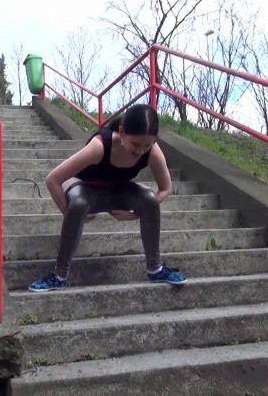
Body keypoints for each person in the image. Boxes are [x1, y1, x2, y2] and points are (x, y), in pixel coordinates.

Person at [28, 103, 187, 292]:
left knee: (149, 199)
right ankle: (59, 275)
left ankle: (155, 268)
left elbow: (165, 188)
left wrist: (136, 215)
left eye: (147, 145)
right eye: (135, 144)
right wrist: (68, 212)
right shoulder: (99, 146)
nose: (140, 150)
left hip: (117, 190)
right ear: (122, 132)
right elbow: (53, 179)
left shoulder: (151, 151)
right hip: (84, 187)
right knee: (78, 203)